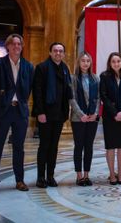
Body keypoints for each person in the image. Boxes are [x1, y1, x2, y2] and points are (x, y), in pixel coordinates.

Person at [0, 34, 34, 195]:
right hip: (3, 112)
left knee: (19, 148)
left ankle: (19, 180)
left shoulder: (28, 66)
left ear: (22, 46)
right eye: (13, 44)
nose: (16, 46)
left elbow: (29, 87)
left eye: (19, 44)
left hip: (20, 112)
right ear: (8, 46)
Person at [33, 42, 72, 188]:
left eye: (61, 51)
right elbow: (37, 93)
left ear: (63, 54)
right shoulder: (42, 68)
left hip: (59, 114)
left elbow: (68, 90)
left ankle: (50, 176)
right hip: (46, 114)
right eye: (55, 50)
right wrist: (40, 112)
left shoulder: (65, 69)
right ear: (50, 53)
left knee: (54, 146)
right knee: (44, 145)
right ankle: (40, 177)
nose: (58, 53)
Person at [99, 52, 121, 185]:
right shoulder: (104, 76)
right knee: (111, 146)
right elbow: (103, 96)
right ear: (110, 63)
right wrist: (114, 113)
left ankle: (120, 174)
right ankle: (112, 174)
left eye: (118, 61)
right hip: (109, 116)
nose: (116, 63)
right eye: (113, 61)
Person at [69, 52, 99, 186]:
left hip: (92, 118)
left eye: (88, 61)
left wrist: (95, 113)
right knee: (79, 146)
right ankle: (79, 175)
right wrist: (81, 115)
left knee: (89, 147)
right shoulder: (73, 78)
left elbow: (98, 98)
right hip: (78, 118)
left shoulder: (95, 78)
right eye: (83, 60)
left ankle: (87, 174)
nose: (85, 63)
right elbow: (72, 98)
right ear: (78, 62)